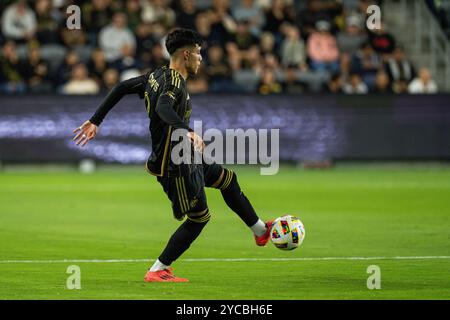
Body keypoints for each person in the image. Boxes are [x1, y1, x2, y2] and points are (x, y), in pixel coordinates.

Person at [72, 28, 272, 283]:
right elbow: (163, 106)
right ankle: (157, 269)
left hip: (184, 156)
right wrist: (185, 130)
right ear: (187, 54)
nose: (202, 58)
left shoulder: (156, 75)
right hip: (174, 165)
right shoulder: (174, 82)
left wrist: (95, 120)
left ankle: (260, 231)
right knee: (199, 218)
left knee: (228, 179)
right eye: (199, 53)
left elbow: (122, 87)